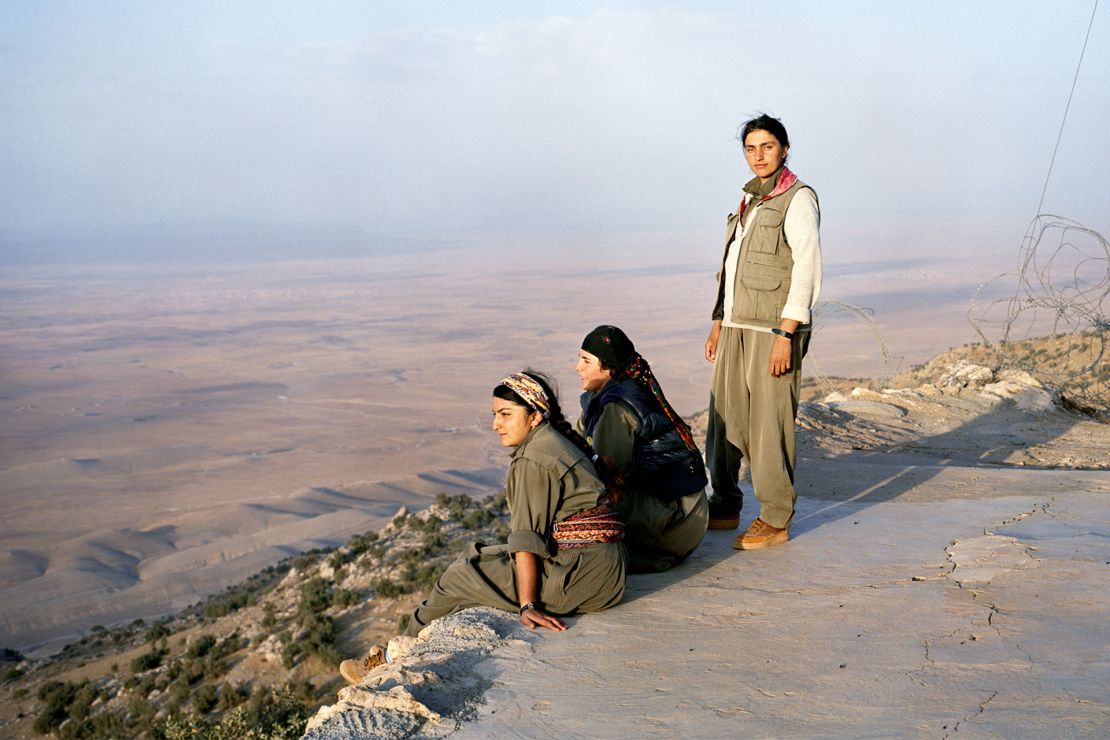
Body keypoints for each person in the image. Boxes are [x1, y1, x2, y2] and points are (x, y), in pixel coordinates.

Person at [339, 370, 627, 684]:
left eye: (506, 414)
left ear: (534, 417)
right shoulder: (553, 442)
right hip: (603, 571)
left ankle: (386, 661)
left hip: (581, 580)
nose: (495, 424)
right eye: (494, 415)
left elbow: (527, 542)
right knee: (482, 556)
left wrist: (528, 604)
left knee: (459, 576)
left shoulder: (533, 459)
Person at [704, 113, 822, 550]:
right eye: (750, 148)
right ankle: (726, 502)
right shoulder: (749, 202)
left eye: (767, 147)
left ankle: (775, 518)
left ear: (784, 149)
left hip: (773, 329)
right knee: (724, 418)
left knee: (768, 424)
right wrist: (719, 323)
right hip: (736, 325)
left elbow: (806, 268)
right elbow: (730, 270)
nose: (758, 155)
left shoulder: (798, 199)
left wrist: (786, 334)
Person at [575, 325, 709, 572]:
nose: (577, 367)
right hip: (686, 518)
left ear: (609, 366)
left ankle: (642, 556)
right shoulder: (620, 390)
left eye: (586, 360)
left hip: (675, 526)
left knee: (582, 496)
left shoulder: (617, 408)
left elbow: (606, 474)